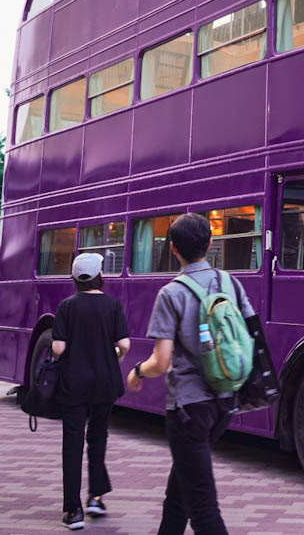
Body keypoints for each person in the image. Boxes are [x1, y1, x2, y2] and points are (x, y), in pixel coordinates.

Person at [126, 212, 255, 535]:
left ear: (173, 248)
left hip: (188, 410)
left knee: (203, 510)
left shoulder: (171, 293)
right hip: (225, 401)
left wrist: (137, 372)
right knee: (180, 490)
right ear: (211, 244)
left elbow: (162, 361)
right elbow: (251, 334)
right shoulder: (230, 283)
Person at [52, 253, 131, 530]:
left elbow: (58, 349)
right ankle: (96, 497)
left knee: (72, 444)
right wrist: (115, 359)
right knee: (98, 437)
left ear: (75, 278)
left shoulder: (66, 306)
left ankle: (73, 511)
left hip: (74, 383)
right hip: (105, 383)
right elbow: (125, 344)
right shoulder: (112, 305)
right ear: (100, 276)